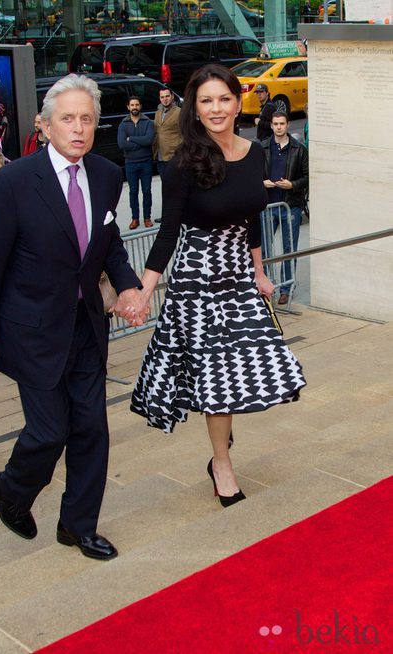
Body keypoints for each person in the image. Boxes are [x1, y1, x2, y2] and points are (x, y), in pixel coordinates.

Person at [0, 74, 145, 559]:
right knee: (48, 432)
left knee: (91, 430)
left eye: (87, 118)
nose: (79, 128)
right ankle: (11, 490)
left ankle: (77, 526)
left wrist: (126, 284)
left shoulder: (108, 175)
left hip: (86, 328)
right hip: (32, 334)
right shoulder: (12, 184)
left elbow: (106, 247)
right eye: (68, 119)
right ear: (44, 126)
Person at [129, 64, 306, 508]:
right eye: (206, 101)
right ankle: (221, 464)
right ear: (195, 107)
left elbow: (250, 221)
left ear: (237, 101)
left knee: (256, 366)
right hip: (197, 280)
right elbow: (167, 233)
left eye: (224, 99)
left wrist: (260, 271)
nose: (216, 108)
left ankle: (222, 445)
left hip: (239, 275)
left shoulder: (255, 153)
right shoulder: (183, 164)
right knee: (216, 377)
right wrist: (146, 290)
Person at [261, 111, 309, 305]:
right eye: (275, 124)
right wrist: (261, 182)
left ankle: (286, 288)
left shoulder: (299, 149)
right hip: (267, 205)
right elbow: (253, 173)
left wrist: (293, 185)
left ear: (288, 125)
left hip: (290, 206)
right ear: (271, 126)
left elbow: (307, 177)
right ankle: (264, 287)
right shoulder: (262, 147)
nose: (279, 127)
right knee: (264, 249)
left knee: (289, 249)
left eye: (282, 123)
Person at [117, 96, 155, 230]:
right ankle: (135, 218)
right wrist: (140, 143)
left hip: (146, 162)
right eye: (132, 105)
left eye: (137, 105)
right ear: (128, 107)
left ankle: (147, 218)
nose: (134, 107)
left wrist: (131, 139)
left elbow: (149, 140)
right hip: (130, 163)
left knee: (147, 191)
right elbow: (122, 144)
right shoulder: (123, 124)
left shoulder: (148, 122)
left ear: (140, 106)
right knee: (133, 191)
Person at [153, 88, 182, 181]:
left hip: (173, 156)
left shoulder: (179, 112)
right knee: (165, 185)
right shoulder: (157, 113)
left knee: (176, 184)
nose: (165, 99)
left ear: (172, 97)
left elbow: (185, 134)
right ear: (160, 99)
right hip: (160, 156)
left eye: (167, 96)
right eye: (162, 97)